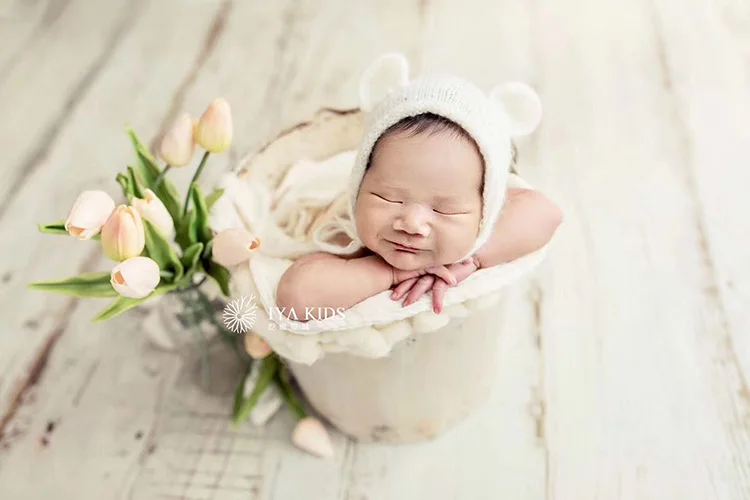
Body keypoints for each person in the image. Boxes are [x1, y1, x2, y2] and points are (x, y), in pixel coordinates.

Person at [276, 73, 562, 320]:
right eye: (389, 198)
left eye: (445, 210)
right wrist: (389, 274)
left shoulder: (482, 219)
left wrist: (472, 260)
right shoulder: (347, 232)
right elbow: (295, 297)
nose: (412, 224)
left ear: (486, 211)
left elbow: (546, 213)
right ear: (359, 185)